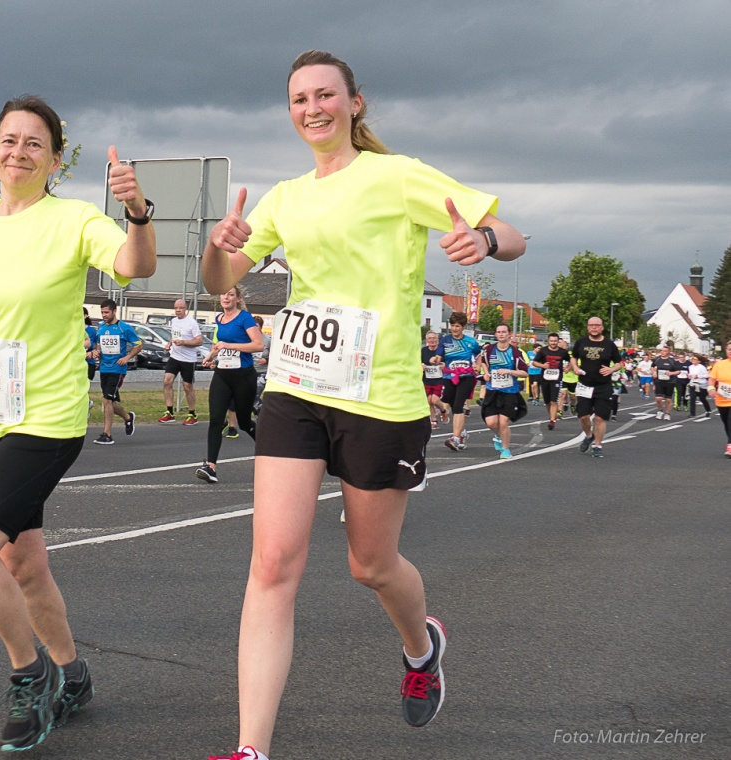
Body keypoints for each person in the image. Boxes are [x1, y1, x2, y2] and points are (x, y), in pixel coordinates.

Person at [201, 50, 525, 760]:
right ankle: (250, 749)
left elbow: (510, 233)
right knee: (272, 563)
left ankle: (421, 645)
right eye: (298, 99)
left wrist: (486, 239)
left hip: (379, 398)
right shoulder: (285, 198)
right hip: (297, 385)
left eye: (324, 95)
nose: (311, 108)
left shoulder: (397, 176)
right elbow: (222, 276)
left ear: (353, 103)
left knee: (370, 565)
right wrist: (215, 249)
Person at [0, 95, 155, 752]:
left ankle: (29, 672)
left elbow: (134, 264)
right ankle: (73, 675)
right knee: (23, 563)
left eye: (33, 143)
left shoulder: (74, 219)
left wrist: (136, 214)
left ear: (55, 160)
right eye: (8, 141)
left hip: (48, 417)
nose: (18, 151)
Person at [195, 285, 264, 484]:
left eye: (231, 294)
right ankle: (211, 466)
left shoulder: (245, 318)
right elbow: (219, 344)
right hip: (222, 375)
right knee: (216, 419)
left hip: (244, 377)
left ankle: (270, 452)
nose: (226, 297)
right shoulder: (219, 319)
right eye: (223, 294)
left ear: (238, 298)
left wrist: (229, 345)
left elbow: (258, 345)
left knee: (243, 422)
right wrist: (210, 357)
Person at [569, 316, 623, 459]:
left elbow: (619, 363)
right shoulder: (581, 342)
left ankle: (597, 445)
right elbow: (573, 357)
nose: (594, 328)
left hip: (603, 386)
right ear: (587, 327)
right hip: (584, 385)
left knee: (599, 418)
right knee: (583, 417)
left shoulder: (609, 344)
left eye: (597, 325)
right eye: (591, 325)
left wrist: (611, 369)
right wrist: (574, 367)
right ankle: (589, 436)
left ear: (602, 327)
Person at [93, 298, 141, 445]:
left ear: (114, 311)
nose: (104, 315)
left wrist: (127, 357)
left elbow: (138, 345)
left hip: (117, 369)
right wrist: (96, 352)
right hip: (104, 368)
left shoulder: (124, 328)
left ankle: (107, 434)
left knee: (106, 400)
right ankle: (128, 418)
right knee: (110, 402)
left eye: (106, 312)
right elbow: (98, 344)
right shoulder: (101, 327)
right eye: (102, 312)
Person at [478, 324, 528, 459]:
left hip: (509, 392)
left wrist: (509, 371)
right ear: (495, 334)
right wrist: (487, 373)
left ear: (509, 334)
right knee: (491, 423)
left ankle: (506, 450)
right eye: (498, 332)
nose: (501, 334)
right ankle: (499, 436)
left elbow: (525, 373)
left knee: (503, 422)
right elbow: (482, 362)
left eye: (504, 332)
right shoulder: (489, 350)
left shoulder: (515, 353)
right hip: (492, 390)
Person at [439, 312, 481, 450]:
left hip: (466, 376)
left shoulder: (470, 342)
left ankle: (455, 438)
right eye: (452, 326)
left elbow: (479, 355)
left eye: (457, 326)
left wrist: (478, 366)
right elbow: (439, 356)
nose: (454, 329)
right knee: (449, 402)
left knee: (458, 405)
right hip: (449, 376)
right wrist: (436, 360)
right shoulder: (445, 340)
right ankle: (462, 432)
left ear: (463, 327)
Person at [160, 298, 203, 425]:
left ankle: (192, 414)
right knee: (167, 381)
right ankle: (169, 412)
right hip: (175, 356)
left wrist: (184, 342)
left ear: (186, 309)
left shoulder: (191, 323)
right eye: (176, 308)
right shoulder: (173, 321)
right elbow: (174, 336)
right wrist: (169, 343)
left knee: (187, 386)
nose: (178, 310)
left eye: (181, 308)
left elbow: (199, 341)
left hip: (188, 359)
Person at [532, 332, 571, 431]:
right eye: (551, 341)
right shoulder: (543, 351)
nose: (553, 343)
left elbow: (571, 360)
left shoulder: (563, 352)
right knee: (547, 401)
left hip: (557, 378)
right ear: (548, 341)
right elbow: (534, 362)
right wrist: (543, 366)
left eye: (555, 341)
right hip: (545, 378)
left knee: (554, 400)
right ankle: (552, 416)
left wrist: (568, 367)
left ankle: (552, 421)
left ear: (558, 341)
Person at [705, 344, 731, 457]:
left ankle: (730, 445)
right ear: (726, 351)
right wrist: (711, 389)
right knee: (726, 422)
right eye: (730, 349)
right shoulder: (719, 365)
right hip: (722, 399)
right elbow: (712, 379)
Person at [421, 330, 446, 429]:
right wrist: (422, 365)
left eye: (434, 338)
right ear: (426, 340)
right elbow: (419, 362)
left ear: (437, 340)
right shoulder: (423, 351)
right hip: (427, 378)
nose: (432, 340)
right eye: (430, 338)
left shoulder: (441, 351)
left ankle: (443, 410)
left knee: (435, 400)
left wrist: (443, 365)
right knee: (428, 400)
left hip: (438, 379)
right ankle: (434, 420)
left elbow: (446, 363)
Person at [651, 345, 680, 421]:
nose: (662, 352)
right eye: (661, 350)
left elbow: (678, 371)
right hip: (659, 381)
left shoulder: (672, 361)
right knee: (658, 398)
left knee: (668, 399)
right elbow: (652, 367)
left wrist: (671, 373)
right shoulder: (657, 359)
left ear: (668, 352)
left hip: (669, 382)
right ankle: (660, 411)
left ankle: (667, 413)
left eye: (664, 351)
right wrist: (654, 372)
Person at [687, 354, 712, 418]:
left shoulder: (701, 367)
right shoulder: (690, 367)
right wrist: (688, 376)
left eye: (695, 359)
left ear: (699, 361)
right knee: (692, 398)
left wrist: (698, 376)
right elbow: (690, 374)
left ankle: (708, 410)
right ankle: (692, 413)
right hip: (693, 384)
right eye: (692, 359)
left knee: (702, 398)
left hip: (701, 385)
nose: (693, 360)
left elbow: (707, 375)